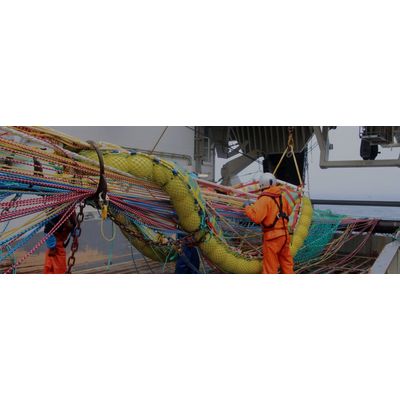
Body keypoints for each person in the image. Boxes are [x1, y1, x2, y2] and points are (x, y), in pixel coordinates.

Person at [244, 173, 294, 274]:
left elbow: (256, 217)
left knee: (270, 268)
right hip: (285, 236)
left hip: (272, 239)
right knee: (287, 265)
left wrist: (247, 207)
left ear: (262, 184)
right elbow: (289, 211)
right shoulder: (282, 197)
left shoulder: (264, 199)